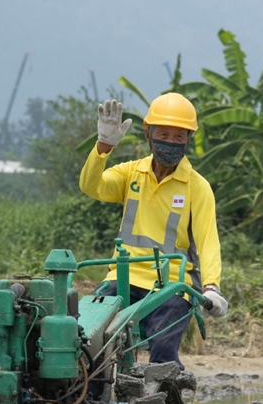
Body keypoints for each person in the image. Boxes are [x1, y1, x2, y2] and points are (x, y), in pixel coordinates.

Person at [79, 93, 228, 368]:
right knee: (87, 339)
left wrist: (210, 287)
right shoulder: (130, 174)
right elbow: (92, 186)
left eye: (178, 137)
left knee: (162, 349)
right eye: (164, 134)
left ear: (188, 139)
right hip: (122, 277)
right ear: (148, 133)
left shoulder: (197, 186)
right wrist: (103, 147)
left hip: (171, 285)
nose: (170, 143)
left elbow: (208, 241)